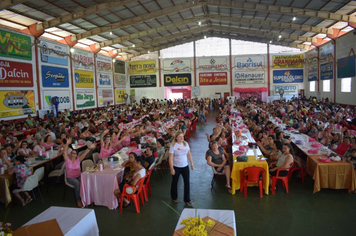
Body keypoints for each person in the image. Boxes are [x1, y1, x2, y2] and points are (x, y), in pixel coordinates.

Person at [64, 137, 96, 207]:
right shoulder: (67, 160)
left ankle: (88, 199)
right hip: (70, 178)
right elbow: (64, 152)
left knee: (86, 182)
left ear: (76, 155)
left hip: (78, 176)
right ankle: (78, 200)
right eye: (72, 153)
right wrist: (67, 144)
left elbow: (85, 153)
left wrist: (90, 147)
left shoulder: (78, 159)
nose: (72, 154)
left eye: (74, 153)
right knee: (77, 184)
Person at [168, 131, 194, 205]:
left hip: (185, 166)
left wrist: (192, 163)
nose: (182, 138)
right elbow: (170, 158)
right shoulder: (173, 145)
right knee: (174, 182)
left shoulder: (185, 144)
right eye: (180, 136)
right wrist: (171, 168)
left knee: (187, 182)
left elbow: (189, 154)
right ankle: (174, 197)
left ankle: (187, 199)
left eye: (182, 136)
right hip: (176, 167)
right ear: (176, 138)